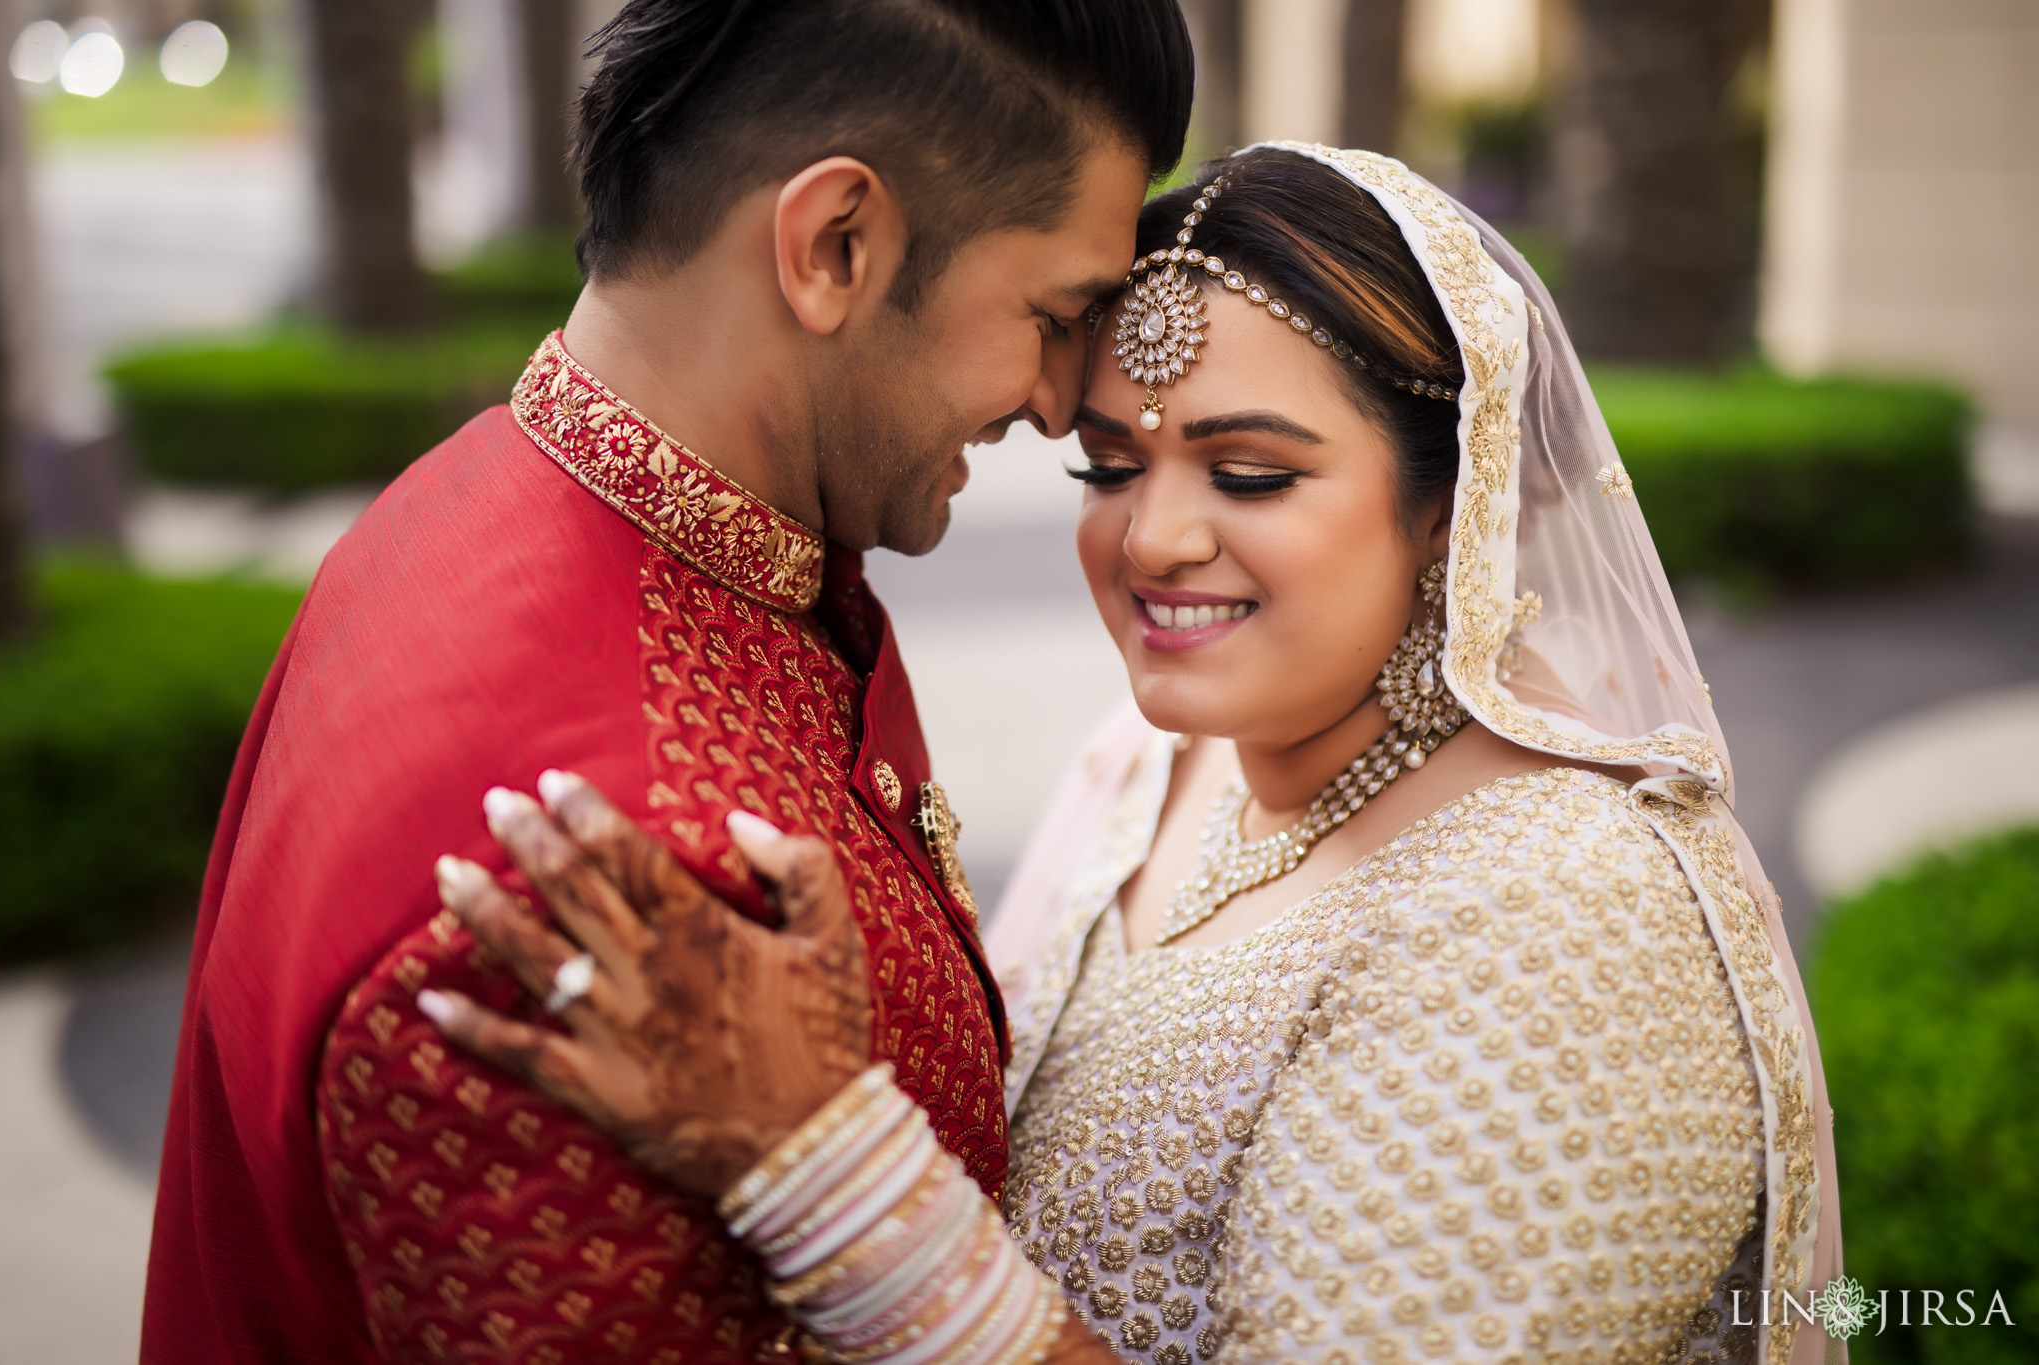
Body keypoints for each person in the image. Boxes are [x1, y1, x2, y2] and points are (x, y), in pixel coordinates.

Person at [422, 145, 1846, 1365]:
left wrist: (822, 1156)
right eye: (1109, 465)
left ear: (1452, 507)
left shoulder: (1559, 918)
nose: (1152, 538)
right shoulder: (1159, 761)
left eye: (1250, 473)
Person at [140, 3, 1194, 1361]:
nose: (1059, 400)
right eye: (1052, 315)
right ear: (836, 246)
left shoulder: (491, 491)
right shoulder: (599, 908)